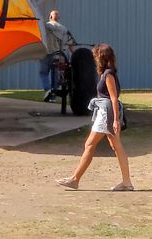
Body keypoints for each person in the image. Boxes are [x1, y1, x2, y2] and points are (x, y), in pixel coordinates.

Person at [57, 43, 134, 191]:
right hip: (105, 111)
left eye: (95, 56)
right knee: (115, 146)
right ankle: (126, 182)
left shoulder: (108, 75)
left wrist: (116, 119)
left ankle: (75, 179)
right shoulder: (107, 73)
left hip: (106, 113)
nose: (94, 59)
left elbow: (113, 98)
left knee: (91, 145)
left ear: (101, 58)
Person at [39, 10, 71, 102]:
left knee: (43, 73)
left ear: (50, 17)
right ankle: (53, 96)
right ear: (59, 18)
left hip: (45, 53)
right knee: (55, 74)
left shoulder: (44, 26)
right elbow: (67, 43)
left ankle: (48, 90)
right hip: (57, 53)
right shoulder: (63, 28)